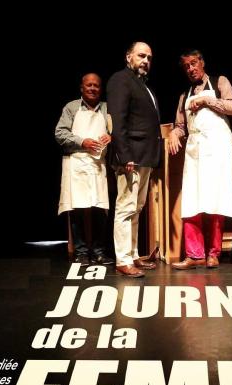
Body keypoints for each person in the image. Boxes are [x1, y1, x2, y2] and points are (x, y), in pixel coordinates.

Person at [168, 50, 232, 270]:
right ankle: (194, 254)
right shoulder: (184, 95)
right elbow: (181, 125)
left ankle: (213, 253)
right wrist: (174, 133)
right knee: (192, 202)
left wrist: (208, 100)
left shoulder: (219, 82)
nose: (190, 69)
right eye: (186, 66)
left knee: (216, 201)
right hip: (195, 152)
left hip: (217, 150)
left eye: (193, 63)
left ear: (202, 62)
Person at [106, 41, 162, 278]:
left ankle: (133, 254)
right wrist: (125, 155)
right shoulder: (120, 80)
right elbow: (117, 121)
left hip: (144, 156)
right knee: (126, 208)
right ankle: (123, 259)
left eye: (149, 58)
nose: (146, 61)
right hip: (131, 156)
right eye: (141, 56)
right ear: (128, 57)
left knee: (136, 208)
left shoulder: (142, 85)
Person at [55, 73, 115, 266]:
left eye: (96, 85)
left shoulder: (107, 109)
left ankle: (99, 252)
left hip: (98, 164)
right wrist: (82, 142)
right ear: (82, 87)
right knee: (78, 210)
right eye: (89, 85)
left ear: (101, 89)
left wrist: (110, 136)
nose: (92, 88)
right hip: (76, 163)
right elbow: (60, 133)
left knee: (100, 209)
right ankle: (81, 253)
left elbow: (117, 130)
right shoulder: (72, 107)